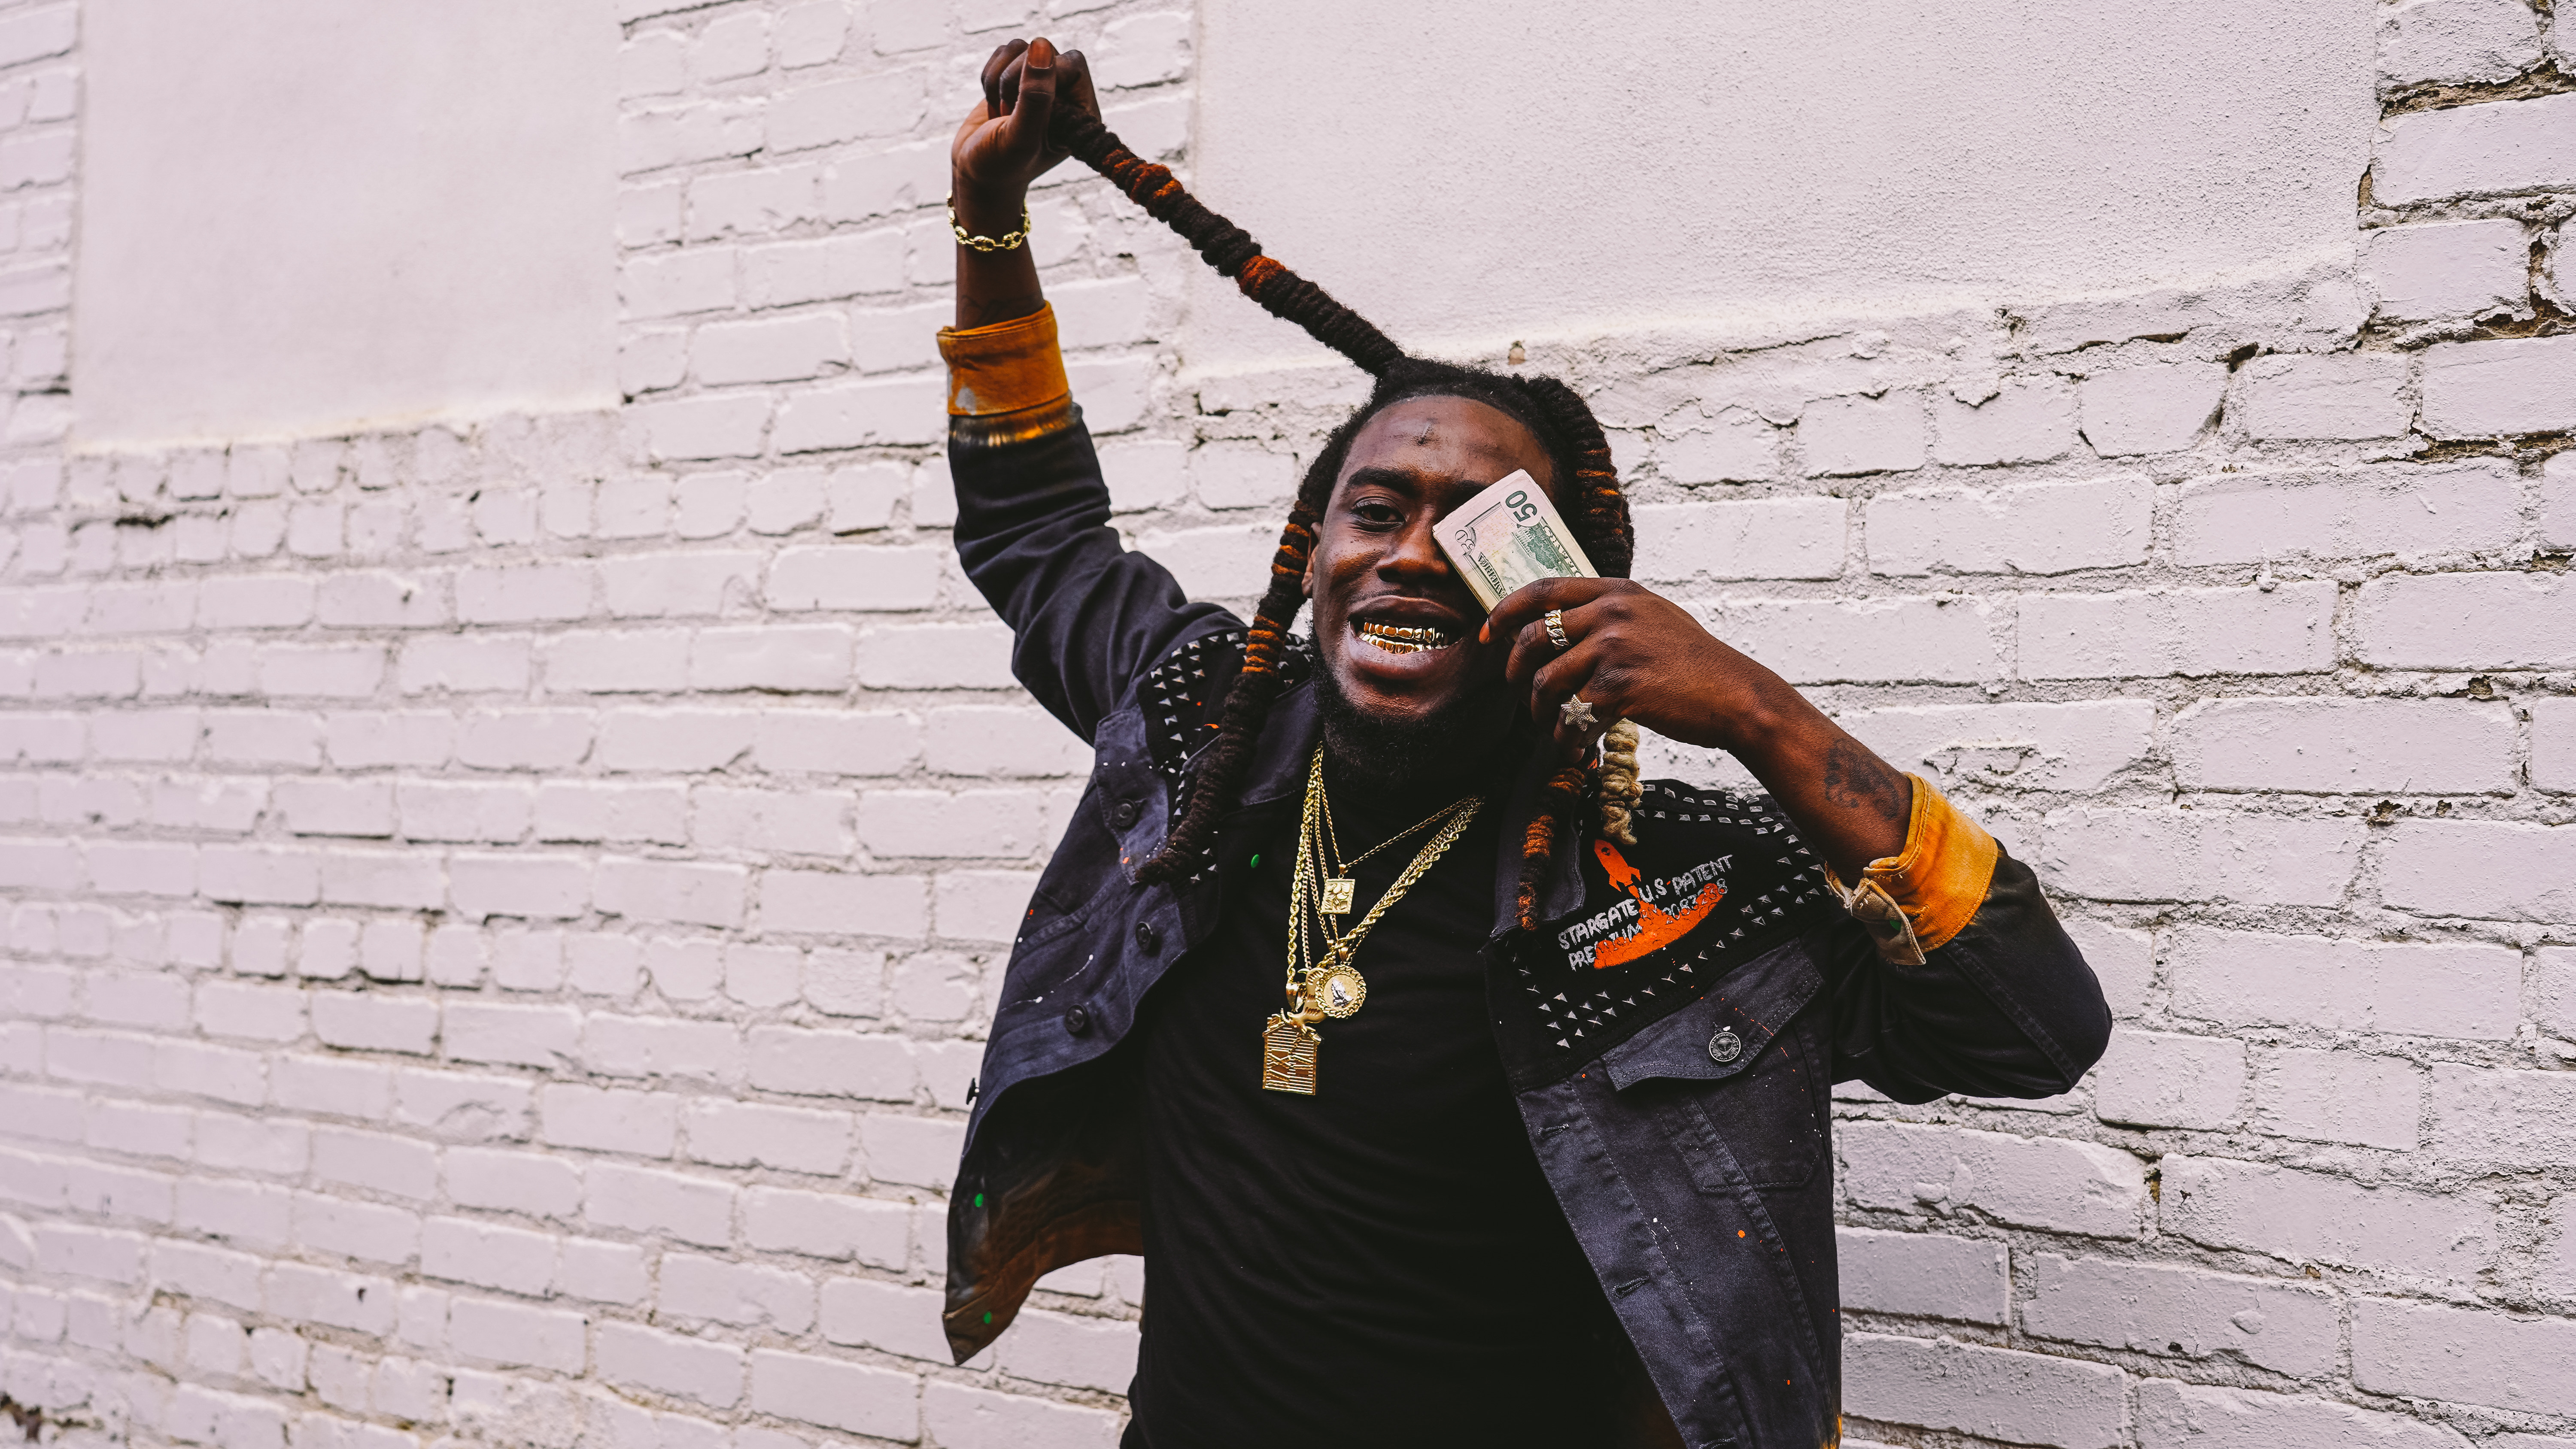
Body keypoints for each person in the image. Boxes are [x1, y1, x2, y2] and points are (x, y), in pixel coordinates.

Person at [934, 38, 2111, 1449]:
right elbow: (1038, 534)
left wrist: (1759, 714)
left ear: (1567, 590)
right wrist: (991, 215)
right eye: (1379, 511)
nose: (1413, 553)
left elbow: (2035, 1027)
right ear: (1313, 552)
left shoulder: (1682, 892)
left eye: (1478, 527)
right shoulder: (1209, 735)